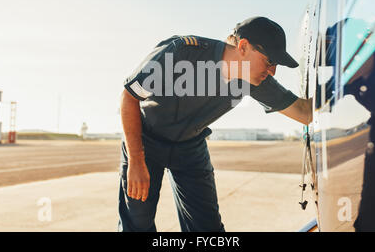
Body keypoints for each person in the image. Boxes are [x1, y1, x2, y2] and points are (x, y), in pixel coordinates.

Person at [118, 16, 312, 232]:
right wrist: (136, 160)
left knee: (207, 229)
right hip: (146, 142)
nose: (273, 71)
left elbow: (304, 112)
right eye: (270, 61)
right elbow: (129, 98)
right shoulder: (182, 52)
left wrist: (349, 79)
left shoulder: (254, 80)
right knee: (137, 225)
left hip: (190, 147)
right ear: (243, 47)